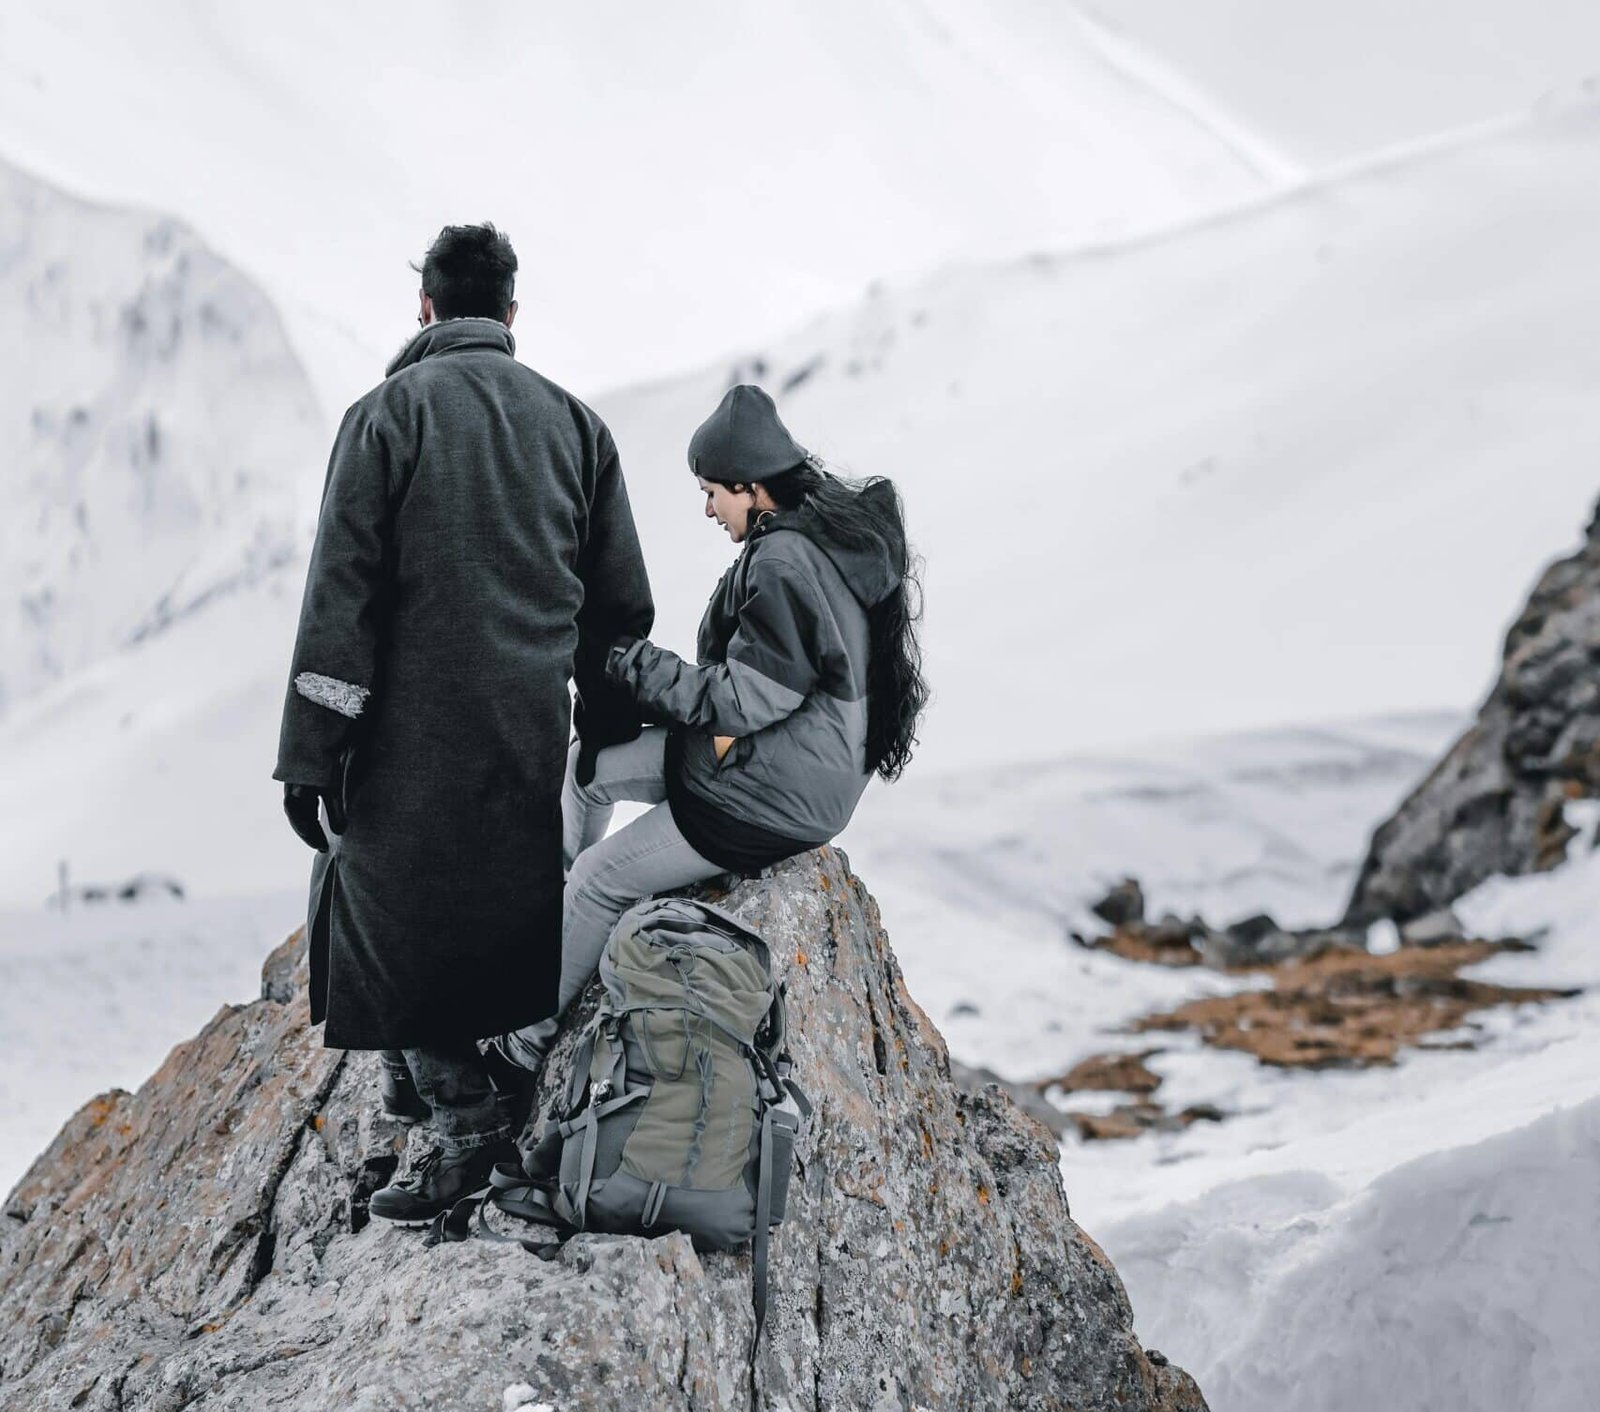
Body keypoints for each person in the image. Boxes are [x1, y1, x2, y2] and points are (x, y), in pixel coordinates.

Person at [273, 223, 653, 1223]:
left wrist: (313, 752)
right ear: (511, 315)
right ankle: (435, 1102)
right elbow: (617, 611)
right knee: (488, 922)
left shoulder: (385, 415)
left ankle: (460, 1122)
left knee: (377, 913)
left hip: (407, 737)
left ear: (426, 308)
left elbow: (340, 597)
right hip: (525, 729)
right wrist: (600, 728)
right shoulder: (578, 429)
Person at [489, 383, 928, 1072]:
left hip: (768, 794)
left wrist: (635, 668)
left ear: (751, 488)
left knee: (604, 877)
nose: (707, 508)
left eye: (713, 492)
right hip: (758, 760)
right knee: (587, 770)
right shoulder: (803, 542)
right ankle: (549, 929)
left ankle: (519, 1045)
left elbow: (745, 700)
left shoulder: (786, 562)